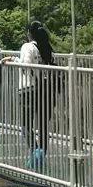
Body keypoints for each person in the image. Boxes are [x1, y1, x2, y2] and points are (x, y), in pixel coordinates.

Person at [10, 19, 58, 167]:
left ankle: (35, 150)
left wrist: (13, 59)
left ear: (29, 33)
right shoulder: (46, 47)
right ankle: (41, 155)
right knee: (43, 124)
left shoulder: (27, 47)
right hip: (45, 89)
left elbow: (25, 66)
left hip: (28, 89)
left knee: (25, 125)